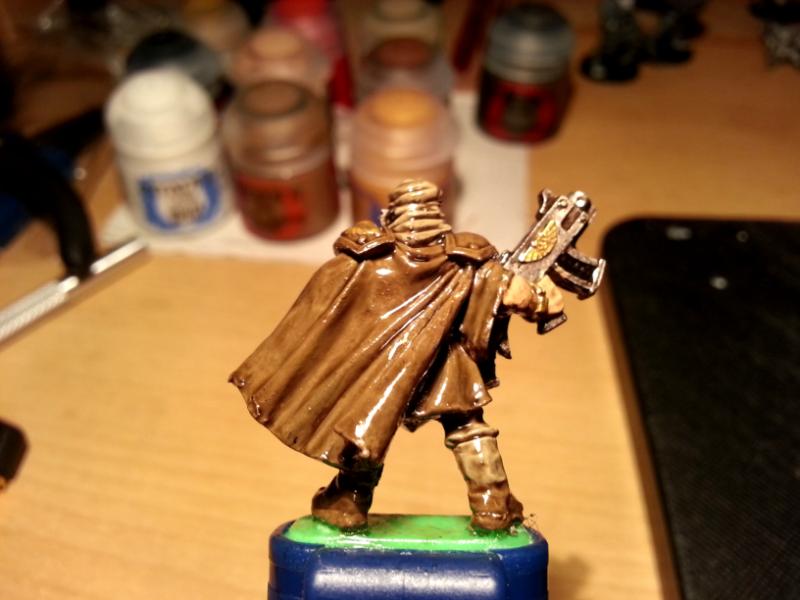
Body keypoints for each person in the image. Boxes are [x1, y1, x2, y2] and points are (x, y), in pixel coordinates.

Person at [230, 180, 564, 530]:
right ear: (437, 213)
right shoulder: (464, 261)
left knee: (365, 432)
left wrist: (535, 294)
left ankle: (347, 505)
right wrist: (541, 298)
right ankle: (493, 505)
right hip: (441, 369)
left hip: (393, 370)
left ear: (392, 214)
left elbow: (320, 309)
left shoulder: (369, 260)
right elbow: (515, 295)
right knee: (461, 429)